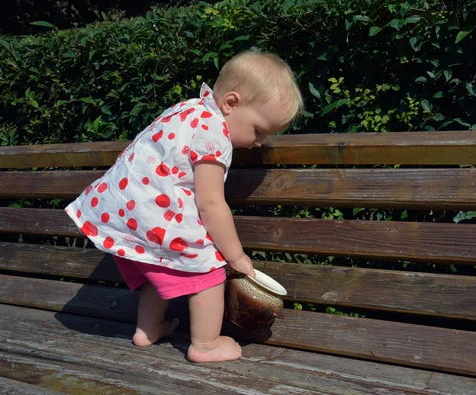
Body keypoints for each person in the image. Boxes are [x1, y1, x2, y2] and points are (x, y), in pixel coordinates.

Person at [65, 50, 303, 362]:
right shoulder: (214, 135)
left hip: (126, 210)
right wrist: (237, 257)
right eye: (259, 130)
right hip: (153, 215)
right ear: (231, 103)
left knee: (163, 265)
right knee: (208, 271)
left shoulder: (188, 110)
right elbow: (210, 203)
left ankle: (147, 330)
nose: (258, 142)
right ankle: (206, 345)